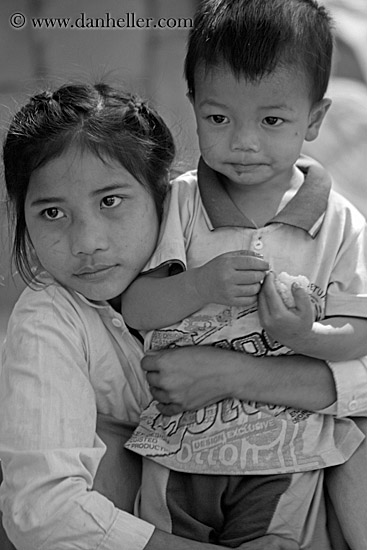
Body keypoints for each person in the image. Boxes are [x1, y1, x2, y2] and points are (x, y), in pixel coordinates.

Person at [0, 80, 312, 550]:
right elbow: (42, 510)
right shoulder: (48, 318)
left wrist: (236, 373)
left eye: (110, 201)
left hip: (268, 494)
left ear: (162, 194)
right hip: (163, 521)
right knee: (104, 449)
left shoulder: (229, 262)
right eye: (51, 213)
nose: (87, 242)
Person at [121, 0, 367, 548]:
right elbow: (136, 307)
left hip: (287, 455)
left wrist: (304, 336)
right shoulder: (179, 203)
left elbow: (359, 332)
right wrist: (199, 285)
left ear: (315, 120)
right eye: (218, 118)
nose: (243, 141)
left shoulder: (341, 223)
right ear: (193, 107)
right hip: (178, 446)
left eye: (272, 120)